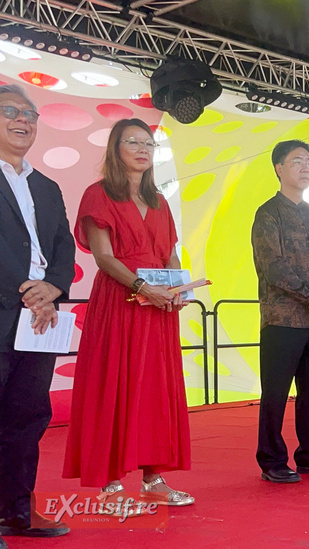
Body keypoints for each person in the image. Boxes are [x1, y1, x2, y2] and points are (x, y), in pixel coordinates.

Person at [63, 119, 193, 509]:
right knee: (112, 387)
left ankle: (153, 479)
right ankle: (109, 487)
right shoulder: (98, 194)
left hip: (158, 309)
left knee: (156, 390)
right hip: (120, 303)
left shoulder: (160, 200)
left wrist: (177, 288)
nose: (142, 149)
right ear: (115, 149)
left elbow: (170, 253)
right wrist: (142, 288)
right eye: (132, 142)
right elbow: (103, 257)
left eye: (148, 143)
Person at [0, 84, 75, 539]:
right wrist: (28, 290)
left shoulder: (46, 187)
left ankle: (17, 510)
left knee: (28, 416)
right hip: (10, 307)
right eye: (10, 111)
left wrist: (53, 288)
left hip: (38, 319)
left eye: (30, 114)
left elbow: (63, 247)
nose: (22, 120)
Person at [251, 140, 309, 483]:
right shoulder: (268, 214)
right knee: (275, 392)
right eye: (297, 162)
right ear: (278, 168)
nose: (305, 167)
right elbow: (272, 267)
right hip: (282, 320)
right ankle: (272, 459)